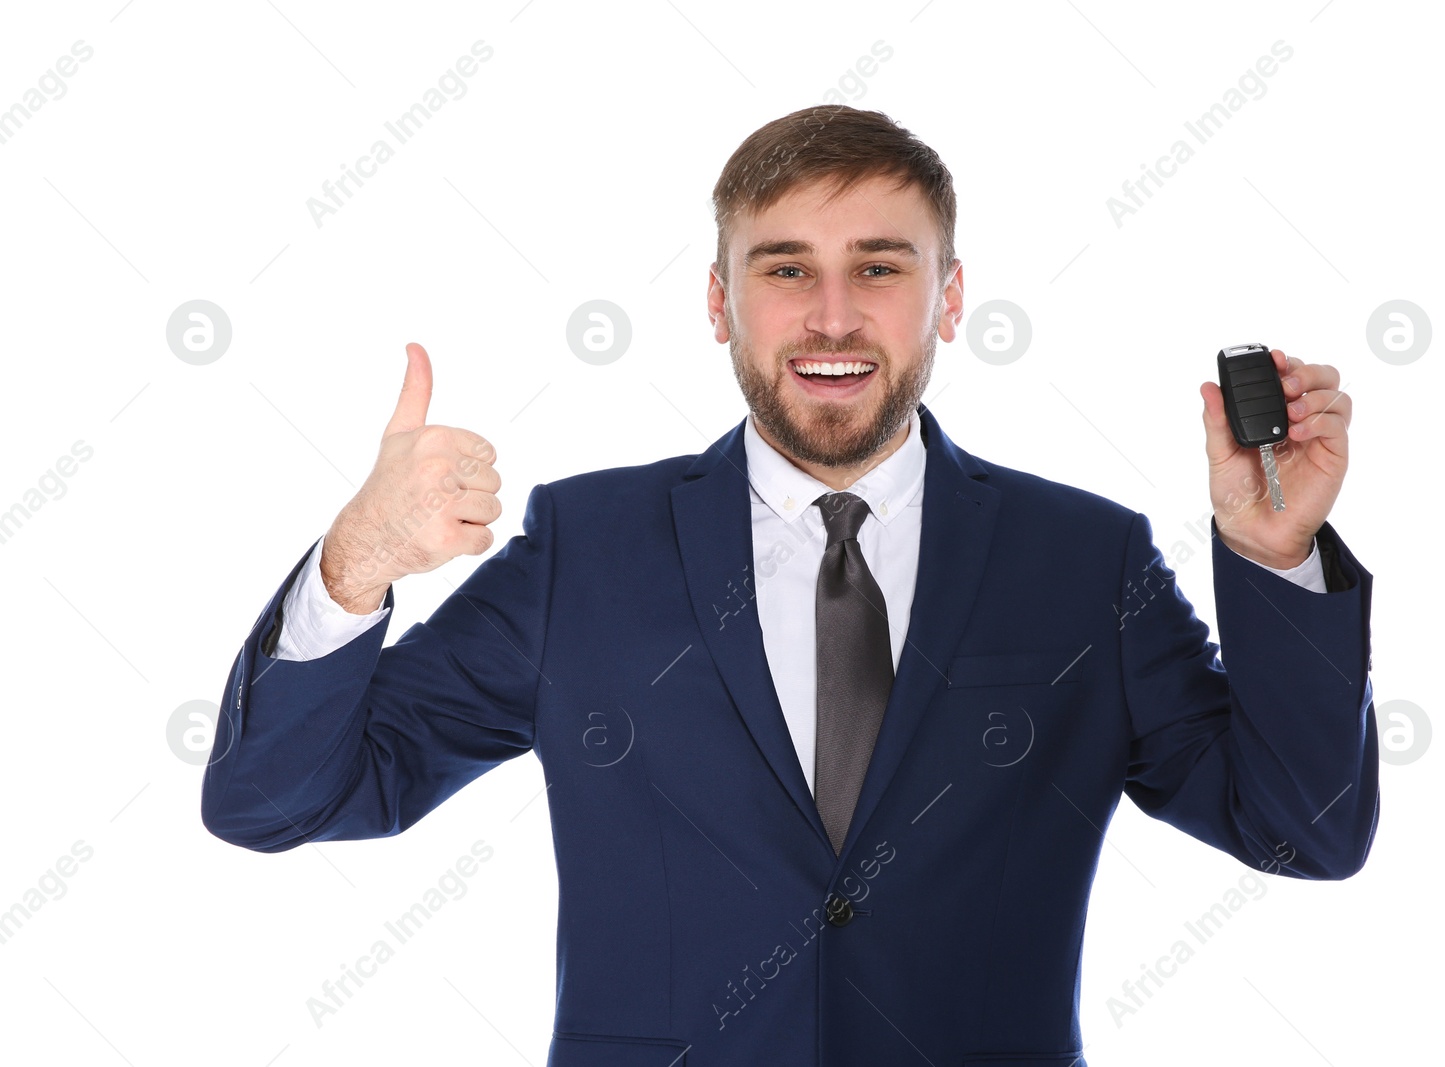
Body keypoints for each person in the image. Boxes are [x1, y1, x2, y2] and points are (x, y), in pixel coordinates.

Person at [203, 104, 1376, 1066]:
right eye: (784, 269)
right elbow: (276, 801)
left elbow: (1304, 832)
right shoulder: (587, 546)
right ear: (719, 303)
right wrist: (356, 562)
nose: (831, 314)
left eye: (878, 266)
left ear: (949, 300)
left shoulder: (1081, 558)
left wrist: (1275, 558)